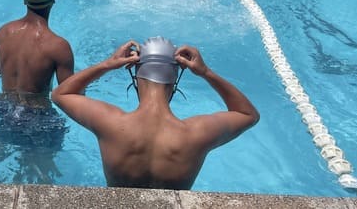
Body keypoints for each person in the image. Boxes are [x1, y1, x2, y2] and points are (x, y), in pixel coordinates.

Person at [52, 37, 259, 190]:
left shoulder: (111, 124)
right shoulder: (196, 134)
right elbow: (248, 114)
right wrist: (206, 72)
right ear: (174, 81)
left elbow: (61, 94)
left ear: (135, 73)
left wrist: (108, 64)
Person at [0, 0, 74, 182]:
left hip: (3, 109)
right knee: (43, 174)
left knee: (3, 147)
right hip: (37, 117)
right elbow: (69, 94)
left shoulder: (3, 33)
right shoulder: (58, 46)